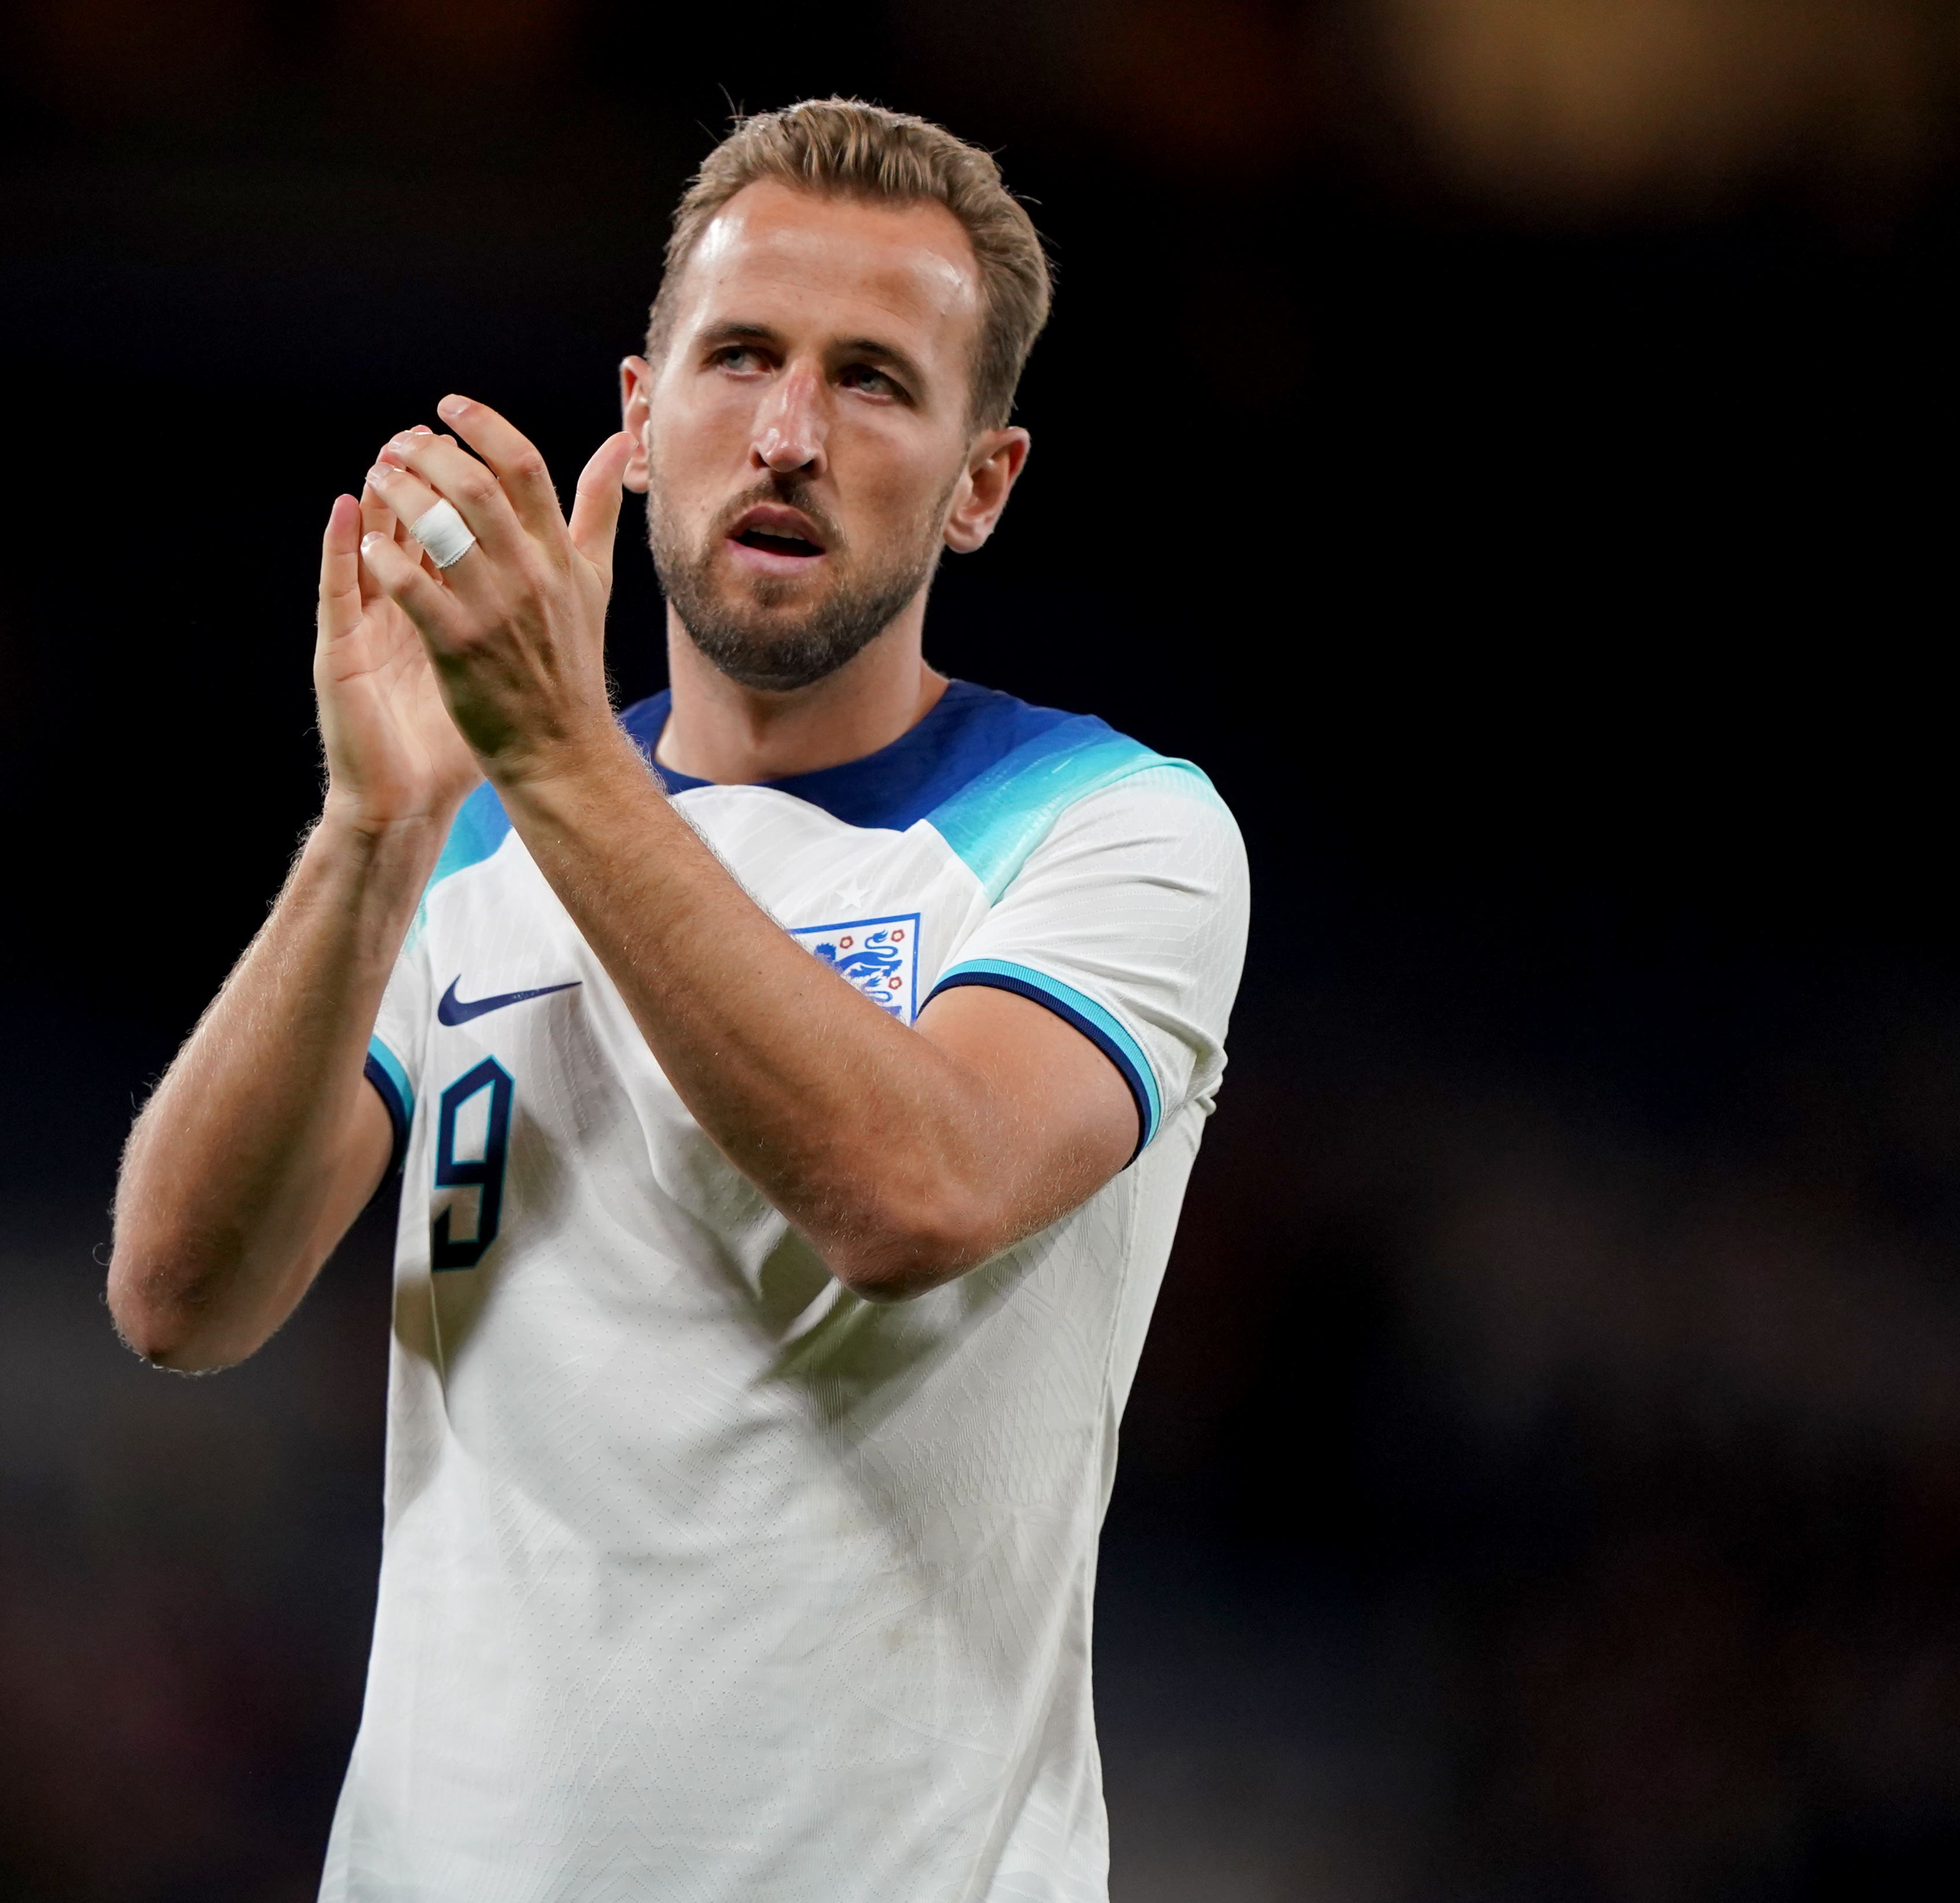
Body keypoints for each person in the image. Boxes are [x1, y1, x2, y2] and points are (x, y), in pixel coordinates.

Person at [109, 98, 1250, 1901]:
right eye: (739, 358)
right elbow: (181, 1299)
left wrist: (554, 756)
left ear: (981, 482)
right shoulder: (467, 836)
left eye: (873, 381)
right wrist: (372, 823)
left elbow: (909, 1192)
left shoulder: (1115, 830)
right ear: (641, 419)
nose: (787, 435)